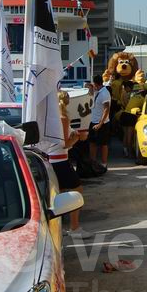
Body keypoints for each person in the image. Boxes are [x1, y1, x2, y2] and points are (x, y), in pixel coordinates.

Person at [56, 91, 92, 239]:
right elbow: (65, 144)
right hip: (60, 159)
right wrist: (78, 137)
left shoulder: (53, 118)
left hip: (52, 159)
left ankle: (60, 228)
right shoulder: (63, 117)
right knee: (77, 191)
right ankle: (74, 227)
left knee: (59, 194)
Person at [89, 73, 111, 168]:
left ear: (96, 84)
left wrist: (100, 124)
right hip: (93, 120)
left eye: (94, 85)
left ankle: (104, 163)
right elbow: (90, 93)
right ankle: (92, 162)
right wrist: (90, 87)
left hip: (102, 123)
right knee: (92, 142)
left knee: (103, 144)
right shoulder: (97, 91)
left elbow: (106, 109)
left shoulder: (104, 93)